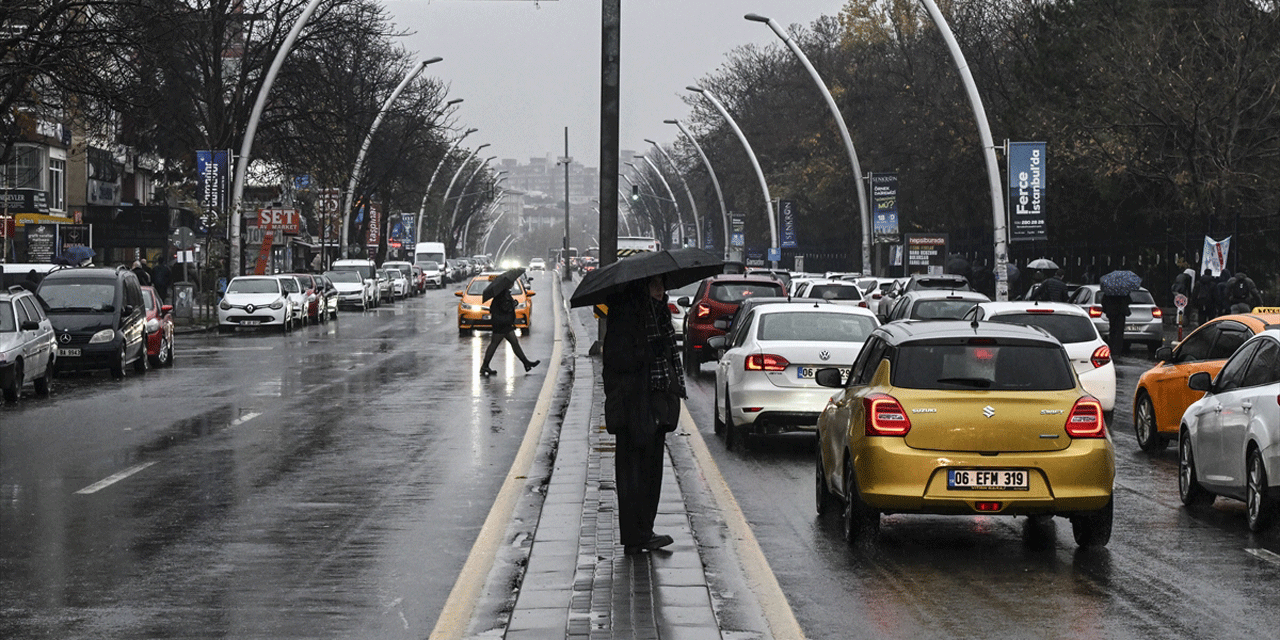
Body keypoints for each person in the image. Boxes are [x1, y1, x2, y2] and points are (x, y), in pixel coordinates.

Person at [603, 275, 685, 555]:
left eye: (663, 284)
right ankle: (635, 534)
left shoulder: (660, 313)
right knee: (633, 474)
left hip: (657, 401)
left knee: (651, 472)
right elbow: (615, 360)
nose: (661, 290)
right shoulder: (627, 315)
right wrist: (647, 353)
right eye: (654, 285)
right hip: (634, 404)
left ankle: (644, 530)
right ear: (641, 287)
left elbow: (669, 357)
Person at [479, 279, 539, 376]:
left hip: (503, 323)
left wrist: (512, 303)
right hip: (502, 323)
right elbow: (504, 308)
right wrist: (512, 304)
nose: (513, 284)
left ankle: (526, 363)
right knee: (495, 344)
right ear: (507, 284)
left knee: (514, 343)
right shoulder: (502, 294)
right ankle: (485, 366)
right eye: (512, 282)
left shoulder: (503, 293)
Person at [1100, 291, 1131, 355]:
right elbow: (1129, 301)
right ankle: (1118, 349)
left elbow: (1103, 302)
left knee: (1112, 331)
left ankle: (1112, 348)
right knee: (1119, 332)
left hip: (1112, 313)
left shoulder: (1108, 292)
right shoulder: (1123, 293)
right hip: (1120, 314)